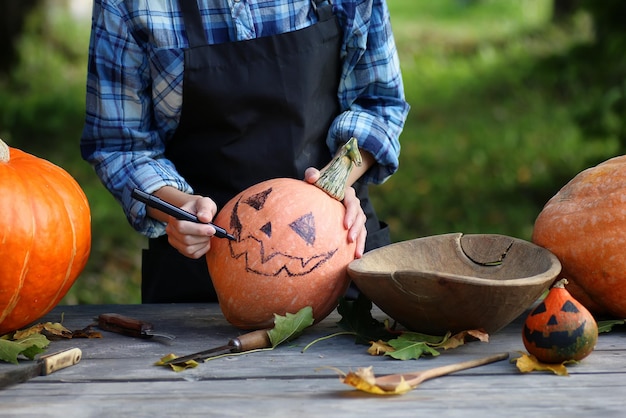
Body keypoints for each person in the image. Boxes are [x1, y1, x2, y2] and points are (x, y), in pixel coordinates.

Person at [80, 0, 409, 303]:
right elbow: (121, 145)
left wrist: (334, 185)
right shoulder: (129, 6)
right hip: (203, 275)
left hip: (336, 256)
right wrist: (176, 209)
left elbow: (379, 103)